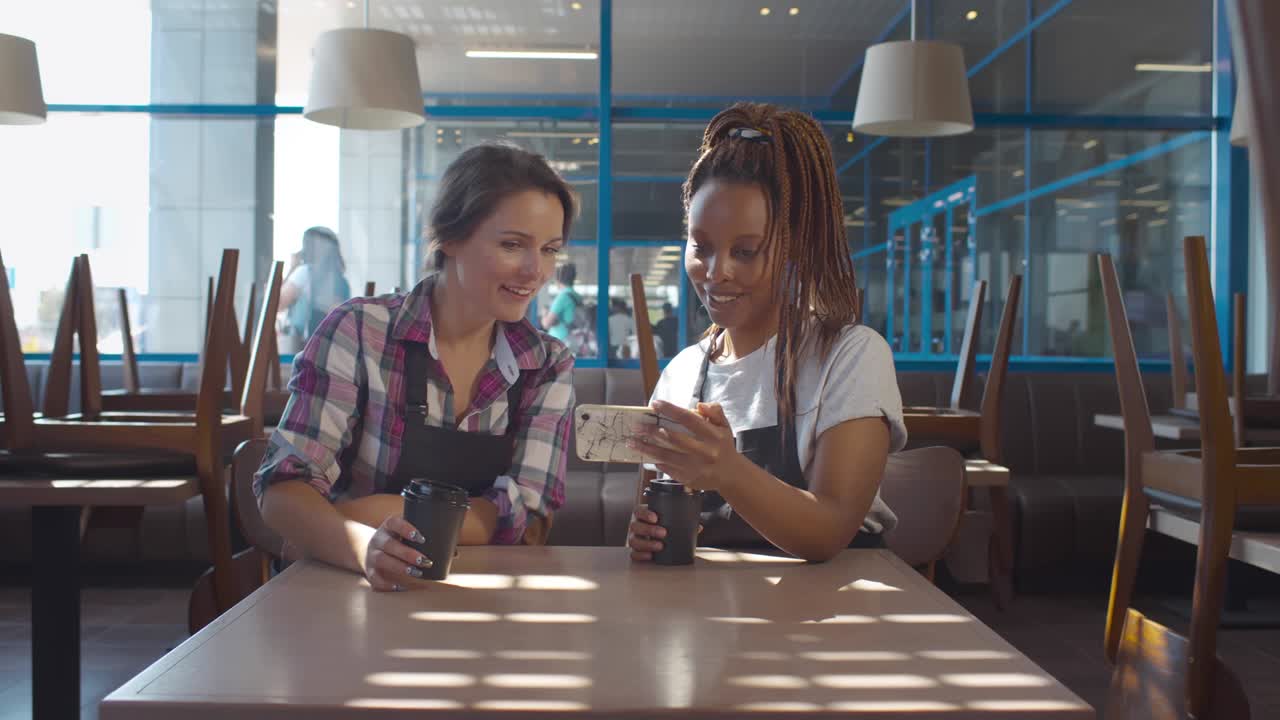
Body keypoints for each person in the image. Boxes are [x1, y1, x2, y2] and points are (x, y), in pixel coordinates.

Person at [255, 143, 577, 592]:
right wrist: (362, 545)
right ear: (449, 236)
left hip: (479, 601)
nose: (534, 270)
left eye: (549, 250)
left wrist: (350, 514)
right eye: (512, 244)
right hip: (341, 590)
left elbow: (528, 514)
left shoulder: (546, 364)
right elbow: (283, 493)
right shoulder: (358, 331)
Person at [626, 103, 907, 563]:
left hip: (837, 618)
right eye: (701, 247)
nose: (717, 273)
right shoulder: (681, 373)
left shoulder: (851, 356)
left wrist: (728, 470)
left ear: (794, 244)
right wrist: (645, 535)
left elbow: (830, 531)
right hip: (718, 619)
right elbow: (649, 519)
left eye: (746, 251)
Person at [279, 227, 352, 347]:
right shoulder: (343, 282)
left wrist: (292, 267)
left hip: (301, 348)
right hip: (331, 348)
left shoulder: (304, 273)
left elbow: (277, 304)